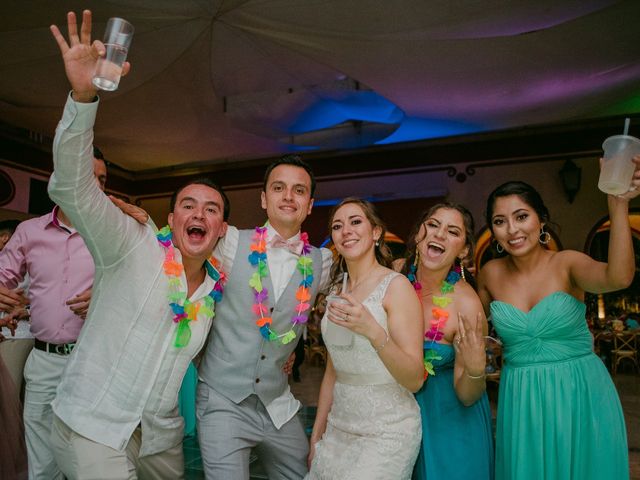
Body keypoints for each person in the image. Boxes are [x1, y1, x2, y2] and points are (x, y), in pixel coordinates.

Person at [48, 10, 229, 479]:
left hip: (159, 438)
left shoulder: (213, 292)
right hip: (94, 427)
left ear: (222, 230)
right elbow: (72, 188)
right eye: (188, 205)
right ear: (170, 219)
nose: (199, 215)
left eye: (212, 210)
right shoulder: (131, 244)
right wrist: (84, 96)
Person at [478, 172, 640, 480]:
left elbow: (619, 277)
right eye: (499, 221)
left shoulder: (567, 263)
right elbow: (467, 326)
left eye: (521, 216)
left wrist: (617, 205)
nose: (512, 229)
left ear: (542, 220)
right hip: (521, 400)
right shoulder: (490, 274)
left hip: (579, 391)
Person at [196, 154, 333, 479]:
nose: (288, 196)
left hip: (277, 403)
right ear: (264, 198)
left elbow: (362, 283)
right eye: (279, 187)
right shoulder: (228, 243)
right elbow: (178, 263)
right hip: (222, 400)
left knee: (304, 473)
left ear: (310, 204)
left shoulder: (322, 263)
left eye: (299, 190)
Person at [0, 148, 107, 479]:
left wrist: (107, 295)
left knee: (90, 457)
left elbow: (144, 283)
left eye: (103, 180)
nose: (98, 187)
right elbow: (3, 276)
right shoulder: (29, 232)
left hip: (95, 361)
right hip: (45, 360)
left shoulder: (113, 233)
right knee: (42, 460)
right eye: (90, 177)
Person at [307, 198, 424, 479]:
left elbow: (415, 379)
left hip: (387, 430)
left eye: (355, 221)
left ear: (376, 232)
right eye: (337, 225)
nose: (345, 230)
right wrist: (316, 435)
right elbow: (333, 369)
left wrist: (372, 330)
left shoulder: (396, 287)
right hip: (339, 428)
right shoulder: (337, 289)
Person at [394, 203, 494, 480]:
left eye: (452, 231)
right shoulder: (394, 278)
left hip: (450, 423)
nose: (439, 234)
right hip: (396, 419)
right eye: (434, 225)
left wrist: (475, 369)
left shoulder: (466, 304)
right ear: (418, 234)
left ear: (463, 250)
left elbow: (468, 394)